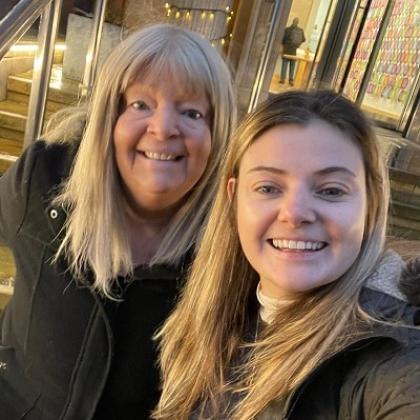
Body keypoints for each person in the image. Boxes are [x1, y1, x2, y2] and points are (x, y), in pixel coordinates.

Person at [0, 23, 236, 419]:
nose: (162, 129)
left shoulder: (231, 246)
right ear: (109, 118)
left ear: (217, 135)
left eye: (192, 112)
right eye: (140, 105)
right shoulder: (43, 181)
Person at [154, 91, 420, 419]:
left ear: (372, 203)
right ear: (234, 198)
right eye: (268, 188)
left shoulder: (396, 359)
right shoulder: (204, 324)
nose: (294, 214)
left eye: (331, 191)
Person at [280, 18, 305, 86]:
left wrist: (284, 45)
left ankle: (282, 79)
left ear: (292, 21)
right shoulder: (300, 30)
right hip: (294, 50)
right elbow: (303, 39)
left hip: (286, 49)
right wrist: (297, 45)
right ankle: (291, 81)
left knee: (284, 65)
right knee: (292, 66)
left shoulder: (287, 29)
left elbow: (282, 40)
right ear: (298, 23)